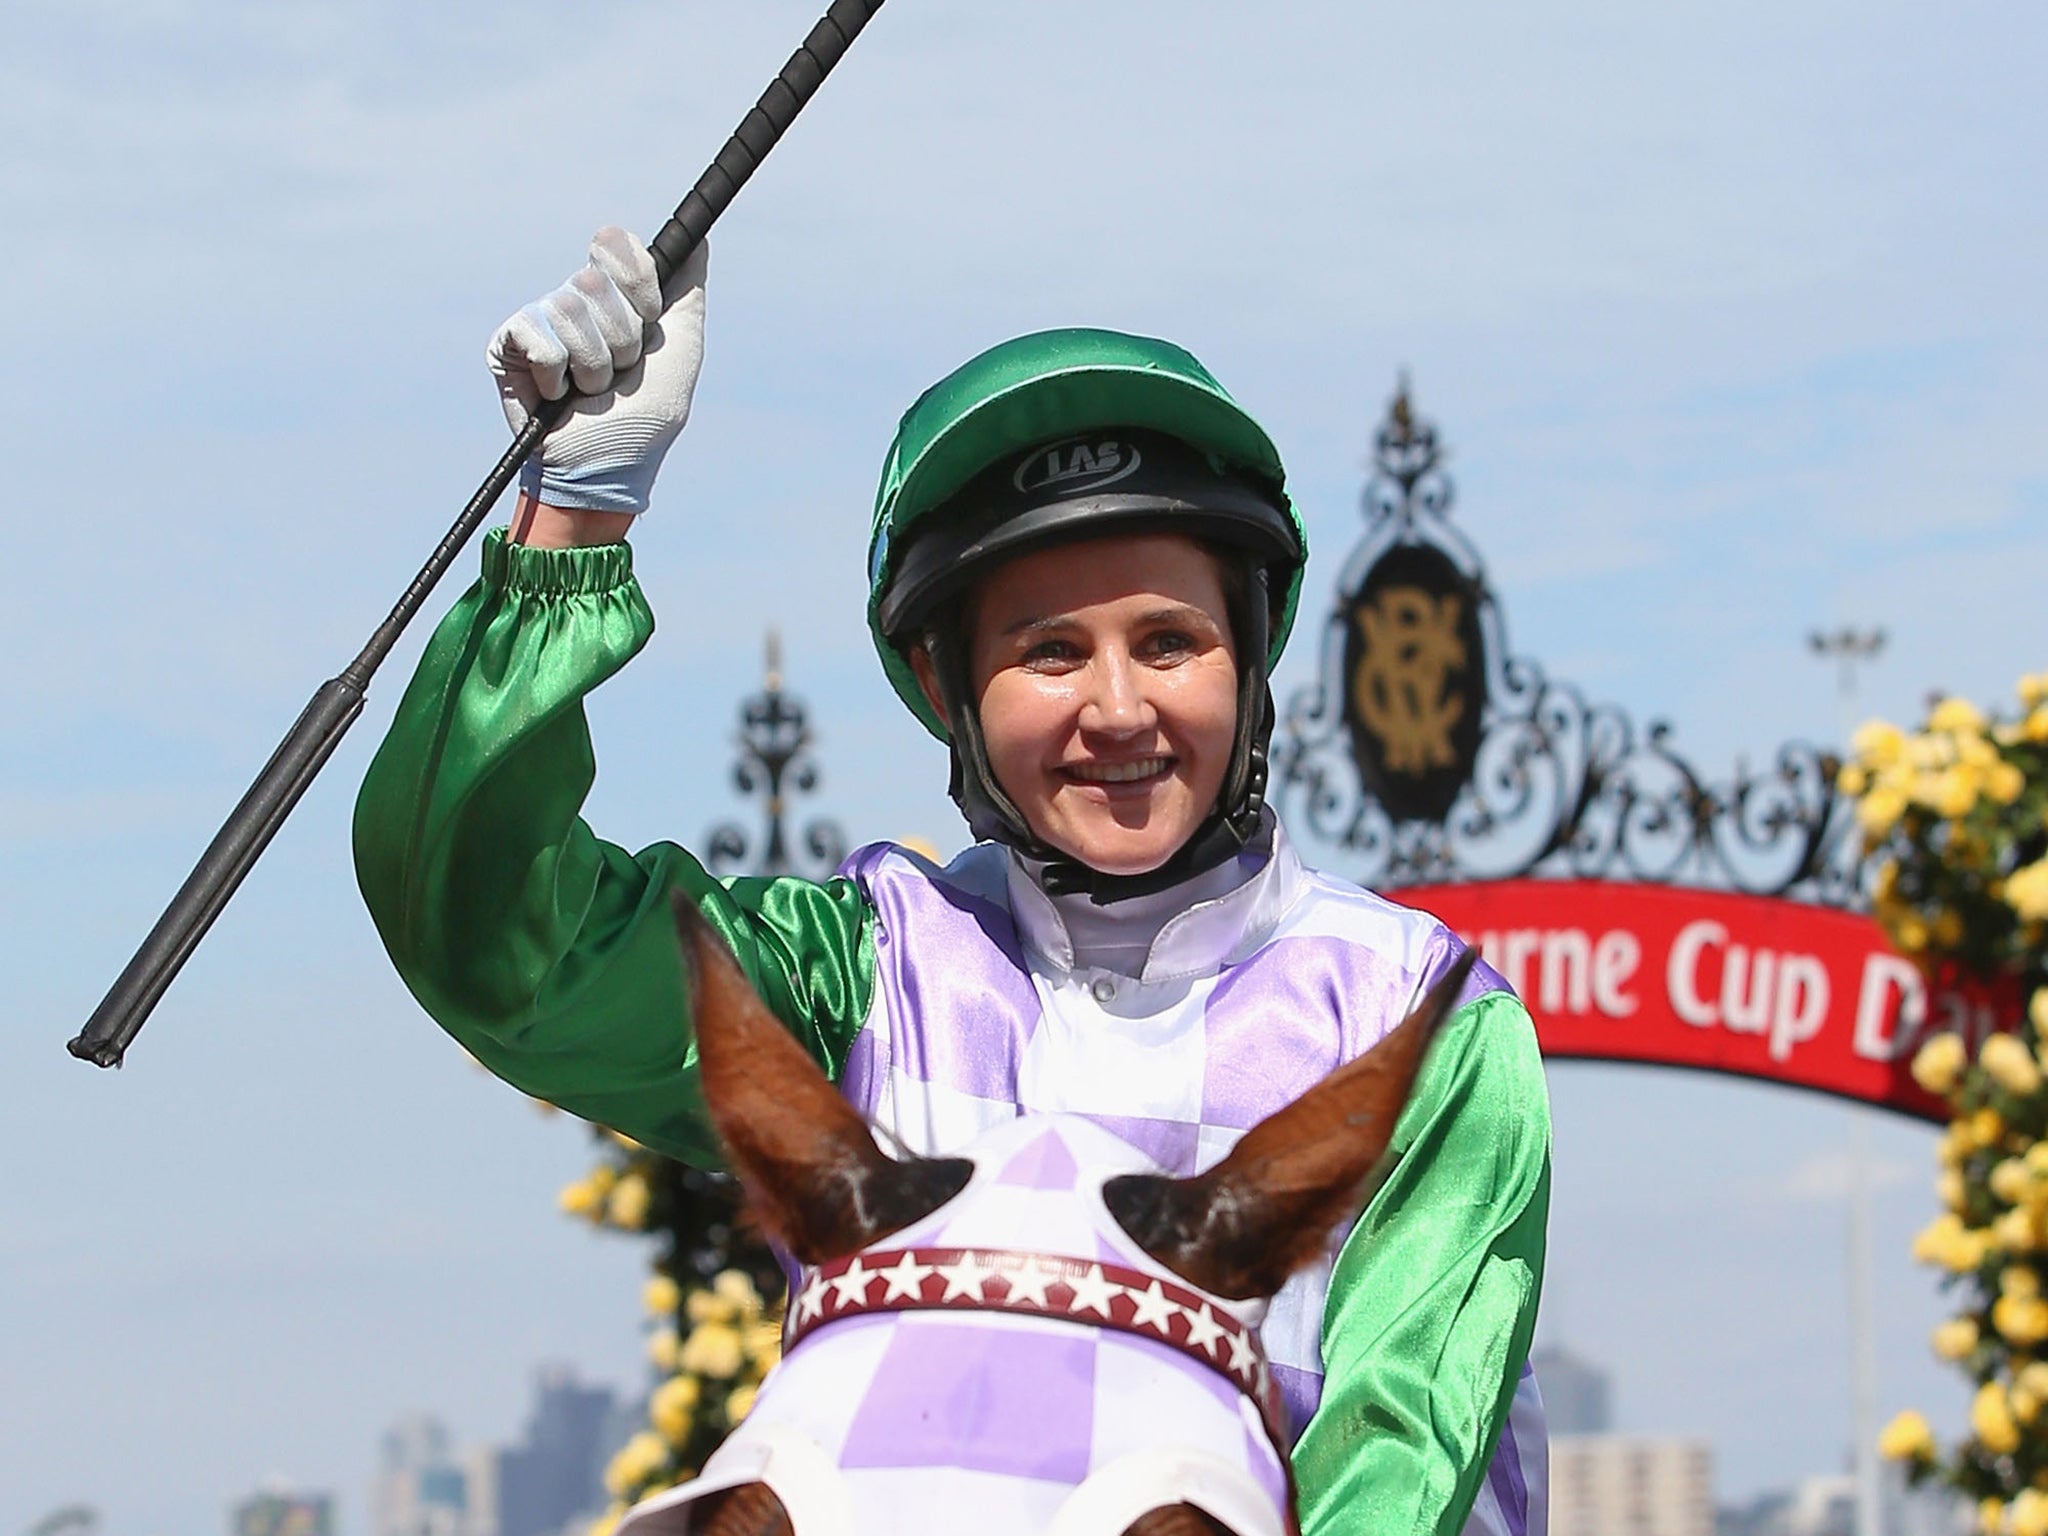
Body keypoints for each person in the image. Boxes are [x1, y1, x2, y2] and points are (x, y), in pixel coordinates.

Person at [353, 228, 1551, 1536]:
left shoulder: (1421, 1023)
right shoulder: (861, 975)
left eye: (1170, 641)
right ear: (946, 688)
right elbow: (501, 944)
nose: (1118, 707)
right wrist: (578, 510)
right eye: (1048, 652)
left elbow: (1397, 1460)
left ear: (1248, 660)